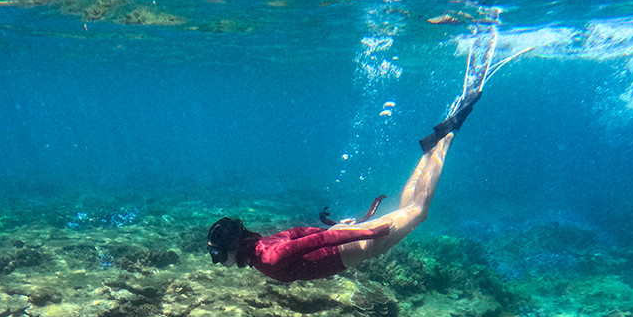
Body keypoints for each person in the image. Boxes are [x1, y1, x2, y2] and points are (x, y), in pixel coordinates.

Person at [206, 89, 481, 283]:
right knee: (408, 207)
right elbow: (300, 233)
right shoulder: (263, 247)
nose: (218, 261)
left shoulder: (270, 258)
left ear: (233, 245)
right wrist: (339, 228)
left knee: (419, 210)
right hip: (346, 240)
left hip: (354, 247)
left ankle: (447, 136)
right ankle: (427, 152)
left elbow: (318, 240)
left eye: (218, 255)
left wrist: (368, 234)